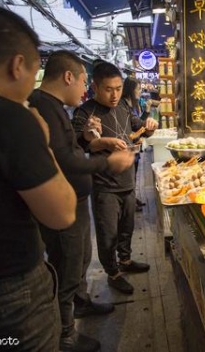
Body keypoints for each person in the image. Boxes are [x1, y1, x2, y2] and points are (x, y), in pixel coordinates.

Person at [0, 8, 76, 349]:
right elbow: (61, 214)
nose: (32, 89)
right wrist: (42, 140)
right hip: (5, 298)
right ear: (17, 66)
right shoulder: (11, 117)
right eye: (34, 75)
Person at [29, 51, 135, 352]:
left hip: (76, 199)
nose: (84, 88)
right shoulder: (45, 108)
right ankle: (66, 335)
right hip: (64, 205)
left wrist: (88, 139)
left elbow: (71, 149)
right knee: (67, 265)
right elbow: (64, 159)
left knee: (79, 260)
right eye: (85, 82)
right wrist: (106, 161)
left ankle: (82, 301)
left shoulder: (54, 107)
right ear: (68, 77)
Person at [72, 62, 158, 295]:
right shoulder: (84, 113)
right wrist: (96, 140)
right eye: (109, 89)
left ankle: (126, 260)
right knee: (107, 232)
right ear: (95, 87)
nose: (115, 94)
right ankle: (113, 273)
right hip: (104, 186)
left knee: (127, 227)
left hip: (128, 182)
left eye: (118, 88)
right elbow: (79, 144)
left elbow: (139, 128)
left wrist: (149, 126)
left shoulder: (122, 107)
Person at [122, 77, 151, 211]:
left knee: (133, 175)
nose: (140, 91)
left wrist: (146, 111)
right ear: (131, 90)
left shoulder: (132, 104)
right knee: (129, 176)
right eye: (138, 89)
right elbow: (135, 127)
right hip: (128, 147)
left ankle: (133, 199)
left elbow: (138, 123)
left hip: (135, 146)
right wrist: (141, 132)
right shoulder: (124, 106)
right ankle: (129, 203)